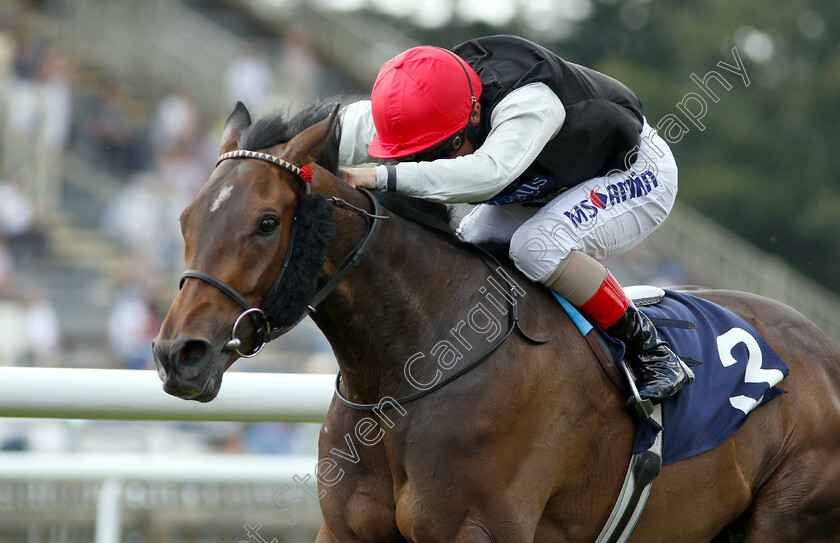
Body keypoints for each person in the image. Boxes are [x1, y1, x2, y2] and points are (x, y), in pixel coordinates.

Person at [338, 34, 693, 403]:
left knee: (536, 247)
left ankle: (652, 352)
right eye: (415, 156)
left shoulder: (530, 103)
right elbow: (324, 135)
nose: (431, 165)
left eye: (442, 151)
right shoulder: (416, 111)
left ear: (475, 114)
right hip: (545, 180)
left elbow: (489, 174)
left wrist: (381, 176)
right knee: (467, 248)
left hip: (630, 172)